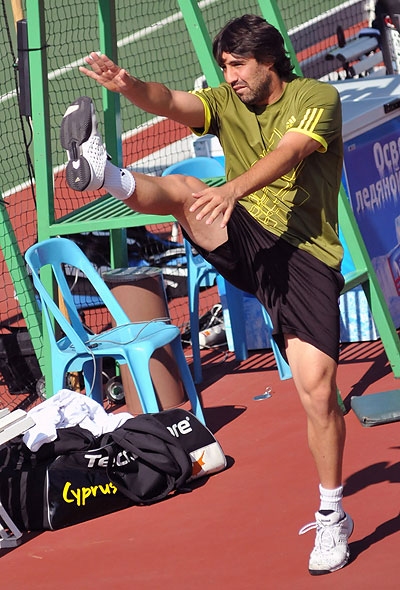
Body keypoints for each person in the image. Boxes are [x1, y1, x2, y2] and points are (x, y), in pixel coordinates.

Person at [60, 14, 352, 575]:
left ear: (269, 60)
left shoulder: (316, 98)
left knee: (318, 393)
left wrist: (234, 187)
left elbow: (291, 152)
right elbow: (171, 101)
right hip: (246, 234)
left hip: (303, 259)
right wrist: (127, 85)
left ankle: (332, 513)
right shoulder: (224, 100)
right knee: (185, 191)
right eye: (224, 67)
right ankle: (105, 174)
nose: (230, 76)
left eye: (238, 65)